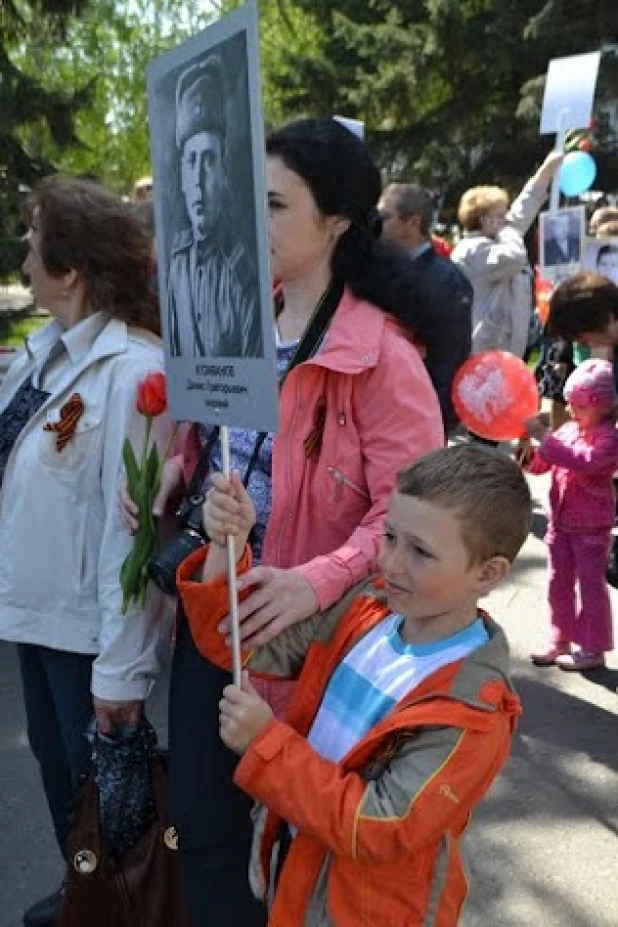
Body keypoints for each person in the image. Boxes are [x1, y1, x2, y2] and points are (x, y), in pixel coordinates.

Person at [121, 117, 445, 924]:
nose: (248, 225)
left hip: (319, 641)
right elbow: (203, 434)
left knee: (303, 847)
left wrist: (315, 580)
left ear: (337, 219)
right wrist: (173, 475)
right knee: (202, 832)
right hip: (217, 613)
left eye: (272, 205)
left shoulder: (383, 357)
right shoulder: (230, 314)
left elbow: (414, 510)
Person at [176, 443, 531, 926]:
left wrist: (265, 743)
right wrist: (227, 546)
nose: (391, 563)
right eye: (389, 537)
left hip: (371, 910)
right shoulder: (370, 610)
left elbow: (381, 825)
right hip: (302, 875)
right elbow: (238, 644)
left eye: (421, 551)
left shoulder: (475, 709)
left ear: (487, 574)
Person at [0, 176, 171, 926]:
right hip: (36, 617)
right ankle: (83, 894)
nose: (24, 260)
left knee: (100, 794)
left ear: (70, 271)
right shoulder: (43, 355)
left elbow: (132, 531)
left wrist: (122, 670)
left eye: (33, 245)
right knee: (60, 778)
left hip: (86, 635)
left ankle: (113, 906)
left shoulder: (134, 372)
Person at [523, 360, 618, 671]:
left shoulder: (609, 439)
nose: (573, 411)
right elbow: (543, 464)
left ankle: (593, 647)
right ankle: (559, 637)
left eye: (581, 406)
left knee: (591, 588)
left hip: (592, 526)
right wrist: (529, 451)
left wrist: (545, 439)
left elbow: (584, 461)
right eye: (571, 404)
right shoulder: (567, 429)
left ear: (603, 407)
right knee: (557, 584)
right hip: (560, 523)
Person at [167, 55, 262, 358]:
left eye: (209, 160)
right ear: (182, 176)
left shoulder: (244, 277)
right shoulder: (176, 264)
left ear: (223, 174)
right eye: (191, 162)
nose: (198, 179)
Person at [379, 183, 472, 433]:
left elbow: (448, 357)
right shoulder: (381, 270)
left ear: (412, 223)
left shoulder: (446, 281)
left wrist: (436, 420)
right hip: (384, 410)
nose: (376, 224)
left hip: (418, 418)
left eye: (384, 217)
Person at [451, 152, 562, 359]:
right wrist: (509, 231)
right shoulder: (473, 250)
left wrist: (546, 171)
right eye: (500, 215)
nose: (506, 220)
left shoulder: (498, 238)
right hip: (484, 353)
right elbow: (514, 258)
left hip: (507, 352)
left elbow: (523, 209)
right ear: (483, 219)